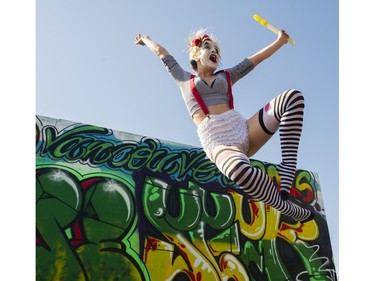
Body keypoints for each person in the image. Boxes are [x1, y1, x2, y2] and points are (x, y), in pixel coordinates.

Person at [134, 28, 314, 223]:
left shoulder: (227, 76)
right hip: (218, 142)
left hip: (243, 130)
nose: (214, 52)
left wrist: (280, 40)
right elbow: (162, 53)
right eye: (207, 47)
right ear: (195, 55)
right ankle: (284, 206)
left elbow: (256, 59)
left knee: (292, 98)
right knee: (240, 170)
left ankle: (288, 165)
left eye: (217, 50)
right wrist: (146, 39)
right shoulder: (184, 79)